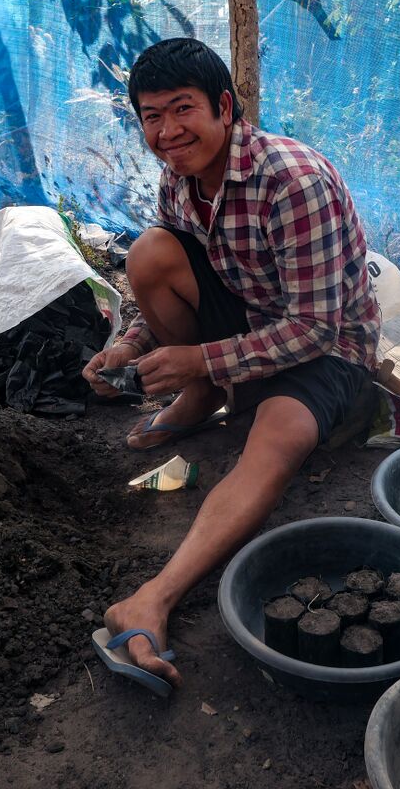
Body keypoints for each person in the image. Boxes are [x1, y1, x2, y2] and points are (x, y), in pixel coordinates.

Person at [82, 37, 380, 691]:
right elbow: (172, 283)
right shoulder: (180, 177)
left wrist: (196, 358)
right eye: (150, 117)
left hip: (327, 348)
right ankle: (204, 395)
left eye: (181, 110)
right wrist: (132, 346)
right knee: (150, 255)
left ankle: (153, 598)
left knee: (276, 443)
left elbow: (312, 327)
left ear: (224, 107)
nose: (166, 131)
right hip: (248, 322)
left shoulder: (293, 182)